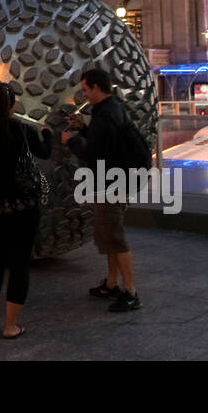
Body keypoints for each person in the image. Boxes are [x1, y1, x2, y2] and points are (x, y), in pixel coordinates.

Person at [0, 80, 53, 339]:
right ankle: (10, 326)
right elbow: (45, 153)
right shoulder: (22, 130)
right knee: (19, 264)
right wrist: (47, 134)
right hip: (22, 208)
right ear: (11, 105)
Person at [61, 67, 142, 312]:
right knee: (109, 236)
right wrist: (84, 129)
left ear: (96, 87)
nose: (84, 95)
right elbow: (106, 144)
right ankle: (111, 283)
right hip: (116, 180)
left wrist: (71, 141)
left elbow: (94, 155)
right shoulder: (111, 109)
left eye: (86, 90)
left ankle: (130, 292)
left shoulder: (105, 116)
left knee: (115, 238)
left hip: (112, 185)